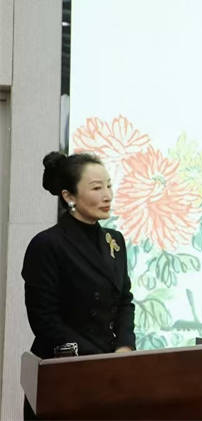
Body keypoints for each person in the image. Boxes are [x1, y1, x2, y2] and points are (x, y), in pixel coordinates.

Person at [21, 152, 135, 419]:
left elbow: (124, 301)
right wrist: (96, 359)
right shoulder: (47, 244)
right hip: (63, 375)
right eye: (96, 188)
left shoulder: (114, 241)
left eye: (109, 185)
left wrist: (124, 348)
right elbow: (44, 320)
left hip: (110, 373)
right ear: (69, 196)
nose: (107, 195)